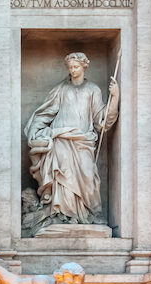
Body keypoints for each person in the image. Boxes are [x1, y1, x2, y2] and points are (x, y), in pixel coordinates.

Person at [24, 52, 119, 229]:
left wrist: (114, 98)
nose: (73, 70)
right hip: (61, 139)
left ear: (84, 67)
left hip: (83, 140)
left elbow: (102, 120)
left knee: (88, 176)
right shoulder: (61, 89)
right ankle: (63, 214)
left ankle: (87, 214)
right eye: (70, 67)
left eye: (76, 67)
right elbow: (45, 113)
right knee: (62, 176)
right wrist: (35, 130)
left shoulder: (93, 90)